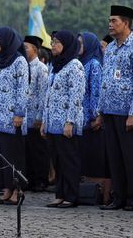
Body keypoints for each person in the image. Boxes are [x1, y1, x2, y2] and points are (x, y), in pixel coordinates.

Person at [96, 5, 133, 211]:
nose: (110, 24)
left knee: (131, 158)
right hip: (109, 111)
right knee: (115, 158)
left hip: (127, 114)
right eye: (109, 21)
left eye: (114, 21)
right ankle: (119, 197)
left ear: (126, 23)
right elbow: (105, 81)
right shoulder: (110, 49)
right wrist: (100, 111)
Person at [41, 30, 85, 208]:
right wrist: (45, 120)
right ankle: (60, 193)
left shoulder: (74, 65)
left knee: (69, 159)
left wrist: (70, 121)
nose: (53, 45)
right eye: (52, 42)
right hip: (53, 121)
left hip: (66, 121)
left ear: (66, 45)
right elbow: (48, 95)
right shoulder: (54, 65)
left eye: (57, 42)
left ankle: (71, 195)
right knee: (57, 159)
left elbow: (76, 95)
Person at [0, 27, 29, 206]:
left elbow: (22, 90)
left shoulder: (19, 61)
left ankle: (17, 190)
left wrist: (19, 114)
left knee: (14, 155)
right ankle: (7, 188)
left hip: (12, 118)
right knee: (1, 155)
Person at [78, 32, 110, 198]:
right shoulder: (80, 63)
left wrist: (96, 115)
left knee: (95, 158)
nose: (79, 47)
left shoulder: (94, 64)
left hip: (92, 121)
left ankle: (98, 193)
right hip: (81, 119)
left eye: (82, 44)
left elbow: (96, 92)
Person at [24, 35, 50, 192]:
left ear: (35, 49)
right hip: (25, 116)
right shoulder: (24, 66)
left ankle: (41, 180)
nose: (24, 50)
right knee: (28, 150)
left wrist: (40, 117)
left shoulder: (41, 68)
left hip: (36, 116)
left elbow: (43, 94)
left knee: (39, 150)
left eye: (26, 47)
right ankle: (30, 179)